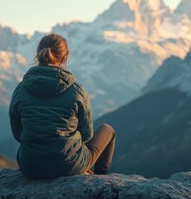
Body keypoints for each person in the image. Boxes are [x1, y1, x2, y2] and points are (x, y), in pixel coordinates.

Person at [9, 33, 116, 178]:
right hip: (69, 165)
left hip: (29, 166)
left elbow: (18, 134)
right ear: (65, 57)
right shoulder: (76, 91)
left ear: (38, 54)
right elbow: (87, 135)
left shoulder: (21, 89)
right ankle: (99, 179)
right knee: (107, 130)